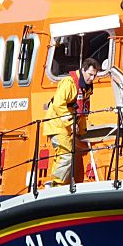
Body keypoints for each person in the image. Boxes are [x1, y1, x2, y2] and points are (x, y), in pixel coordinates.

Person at [42, 57, 100, 185]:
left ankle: (72, 184)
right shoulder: (69, 83)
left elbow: (82, 110)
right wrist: (71, 123)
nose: (92, 78)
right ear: (83, 70)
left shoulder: (86, 87)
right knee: (66, 155)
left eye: (94, 75)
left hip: (69, 128)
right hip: (58, 125)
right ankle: (56, 185)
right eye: (90, 74)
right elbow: (58, 104)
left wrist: (82, 130)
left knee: (74, 155)